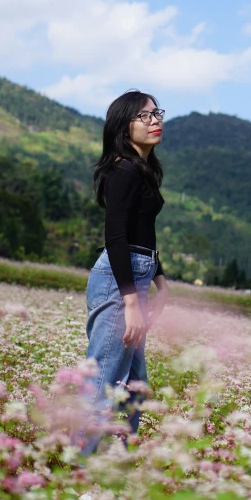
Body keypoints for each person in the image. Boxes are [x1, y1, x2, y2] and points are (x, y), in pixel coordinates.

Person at [80, 89, 169, 456]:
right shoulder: (123, 169)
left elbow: (139, 231)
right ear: (123, 126)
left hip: (135, 276)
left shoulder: (143, 170)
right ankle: (79, 477)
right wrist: (132, 302)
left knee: (134, 386)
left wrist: (160, 279)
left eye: (157, 114)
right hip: (120, 283)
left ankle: (113, 469)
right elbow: (116, 238)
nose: (155, 121)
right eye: (144, 116)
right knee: (103, 382)